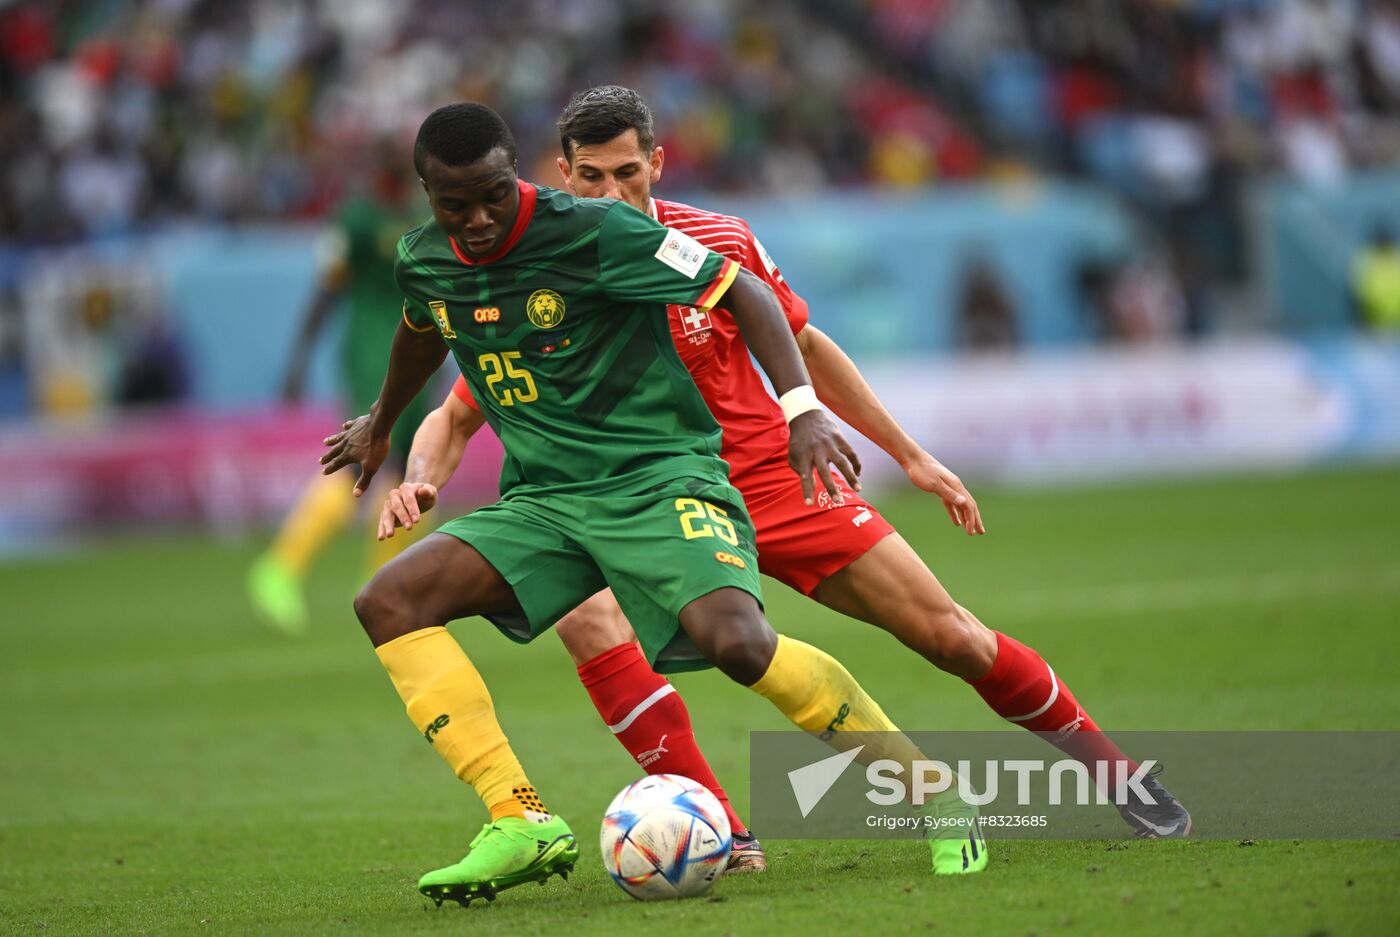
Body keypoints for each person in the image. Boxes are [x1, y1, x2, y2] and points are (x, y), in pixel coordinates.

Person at [374, 86, 1191, 851]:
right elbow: (459, 409)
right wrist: (424, 476)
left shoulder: (715, 241)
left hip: (767, 478)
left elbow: (800, 343)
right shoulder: (533, 261)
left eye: (628, 173)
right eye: (592, 177)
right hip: (623, 497)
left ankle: (1114, 772)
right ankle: (721, 835)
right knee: (591, 623)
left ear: (657, 164)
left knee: (949, 636)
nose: (611, 193)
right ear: (561, 174)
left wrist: (906, 453)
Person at [321, 102, 966, 907]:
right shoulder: (423, 257)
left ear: (517, 170)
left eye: (493, 194)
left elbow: (748, 298)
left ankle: (931, 791)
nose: (478, 218)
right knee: (389, 599)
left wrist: (802, 411)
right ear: (427, 194)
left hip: (661, 480)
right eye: (456, 205)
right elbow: (423, 326)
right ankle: (518, 818)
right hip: (548, 501)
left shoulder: (595, 231)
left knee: (737, 643)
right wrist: (383, 426)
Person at [247, 138, 437, 636]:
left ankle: (382, 586)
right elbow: (327, 289)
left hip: (422, 352)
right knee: (362, 457)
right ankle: (280, 568)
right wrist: (299, 358)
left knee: (405, 471)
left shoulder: (425, 211)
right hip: (373, 354)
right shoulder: (355, 219)